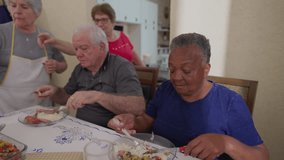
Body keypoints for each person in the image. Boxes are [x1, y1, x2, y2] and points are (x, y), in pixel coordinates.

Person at [107, 33, 269, 160]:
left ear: (206, 69)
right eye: (172, 69)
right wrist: (131, 121)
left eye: (186, 70)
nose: (176, 77)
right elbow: (146, 121)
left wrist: (226, 144)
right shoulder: (166, 90)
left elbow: (262, 156)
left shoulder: (230, 103)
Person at [35, 24, 145, 128]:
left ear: (101, 47)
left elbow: (138, 106)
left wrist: (97, 96)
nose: (78, 54)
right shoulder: (80, 68)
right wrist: (55, 91)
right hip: (82, 128)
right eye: (76, 49)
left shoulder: (121, 66)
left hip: (110, 133)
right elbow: (67, 97)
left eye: (84, 48)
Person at [0, 0, 67, 115]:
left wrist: (56, 65)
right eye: (13, 5)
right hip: (7, 110)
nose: (17, 11)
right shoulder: (2, 33)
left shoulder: (46, 36)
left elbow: (63, 66)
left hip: (42, 111)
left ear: (37, 12)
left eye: (24, 7)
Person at [37, 3, 144, 66]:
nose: (100, 24)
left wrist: (147, 77)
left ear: (113, 21)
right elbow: (73, 48)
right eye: (97, 21)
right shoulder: (96, 41)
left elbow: (135, 57)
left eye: (104, 20)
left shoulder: (123, 36)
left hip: (129, 81)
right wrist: (54, 41)